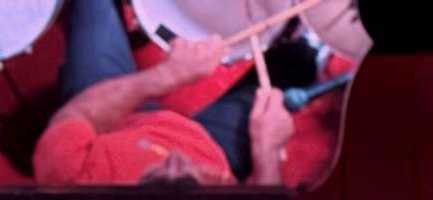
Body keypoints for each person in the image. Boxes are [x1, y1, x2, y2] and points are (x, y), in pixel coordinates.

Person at [33, 0, 297, 186]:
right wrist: (268, 153)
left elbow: (77, 113)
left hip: (112, 120)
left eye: (153, 176)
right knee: (296, 62)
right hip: (214, 148)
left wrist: (168, 75)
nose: (176, 156)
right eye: (192, 181)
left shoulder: (71, 180)